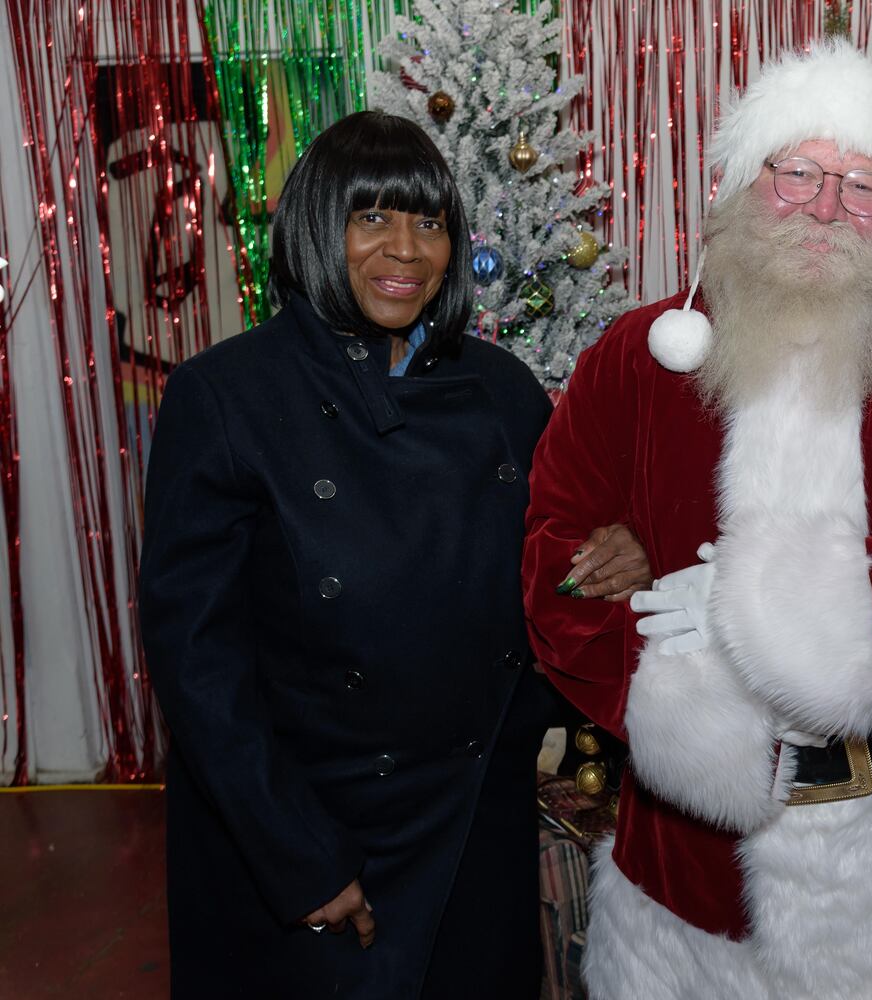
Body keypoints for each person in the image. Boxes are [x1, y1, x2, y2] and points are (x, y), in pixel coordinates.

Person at [523, 42, 872, 1000]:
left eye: (863, 185)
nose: (825, 207)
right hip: (691, 871)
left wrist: (760, 606)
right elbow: (556, 564)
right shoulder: (639, 356)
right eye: (800, 173)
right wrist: (670, 699)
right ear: (743, 181)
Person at [138, 111, 648, 999]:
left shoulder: (500, 389)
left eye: (429, 221)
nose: (406, 249)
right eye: (371, 217)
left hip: (469, 822)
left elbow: (531, 577)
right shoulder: (224, 396)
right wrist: (299, 861)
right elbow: (199, 667)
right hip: (311, 827)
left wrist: (613, 560)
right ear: (314, 228)